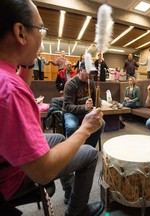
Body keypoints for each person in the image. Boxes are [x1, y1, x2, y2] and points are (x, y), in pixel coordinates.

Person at [0, 1, 104, 216]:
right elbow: (43, 172)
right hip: (12, 175)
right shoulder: (9, 89)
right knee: (91, 153)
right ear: (21, 32)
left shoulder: (6, 74)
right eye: (41, 29)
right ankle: (77, 210)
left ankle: (69, 191)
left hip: (6, 158)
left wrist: (27, 62)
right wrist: (85, 129)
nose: (42, 36)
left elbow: (21, 85)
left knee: (58, 140)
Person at [63, 61, 105, 148]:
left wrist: (98, 103)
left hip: (86, 112)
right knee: (71, 126)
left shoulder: (91, 81)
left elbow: (95, 99)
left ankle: (88, 148)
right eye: (89, 72)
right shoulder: (71, 84)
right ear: (81, 70)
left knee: (101, 123)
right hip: (71, 113)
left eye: (93, 73)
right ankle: (72, 150)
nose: (91, 75)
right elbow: (67, 106)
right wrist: (85, 107)